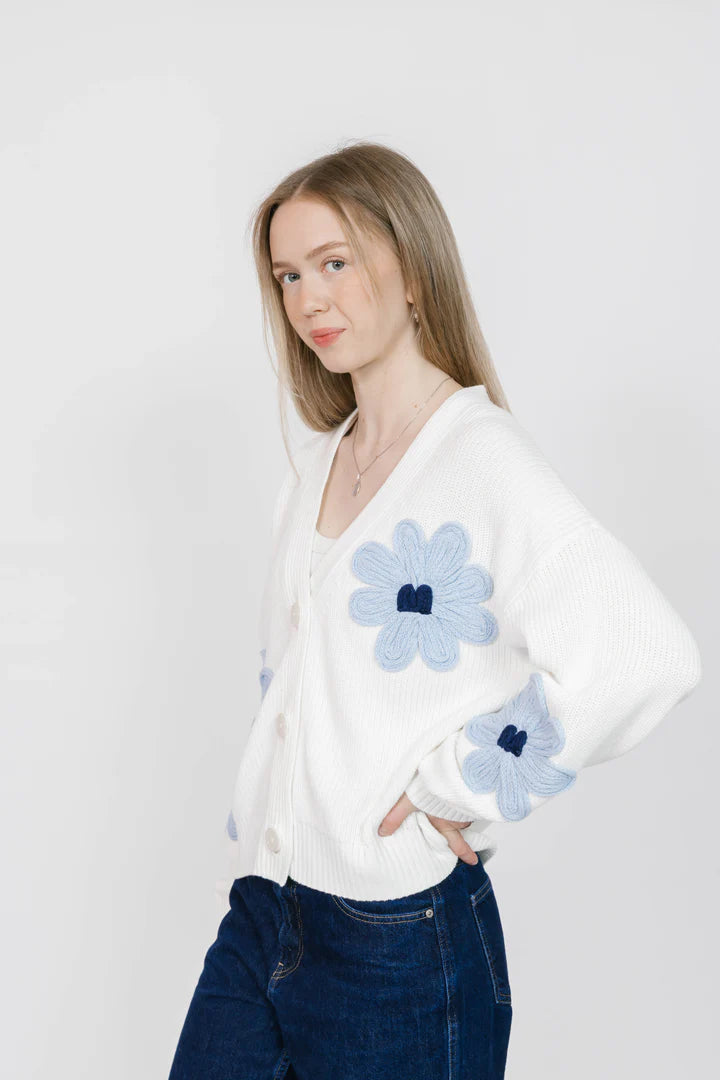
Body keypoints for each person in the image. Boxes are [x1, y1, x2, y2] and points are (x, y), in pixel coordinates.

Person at [168, 141, 702, 1080]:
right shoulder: (318, 464)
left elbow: (646, 654)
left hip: (396, 934)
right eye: (288, 276)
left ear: (412, 271)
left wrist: (455, 784)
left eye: (335, 262)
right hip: (265, 911)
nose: (309, 299)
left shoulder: (482, 460)